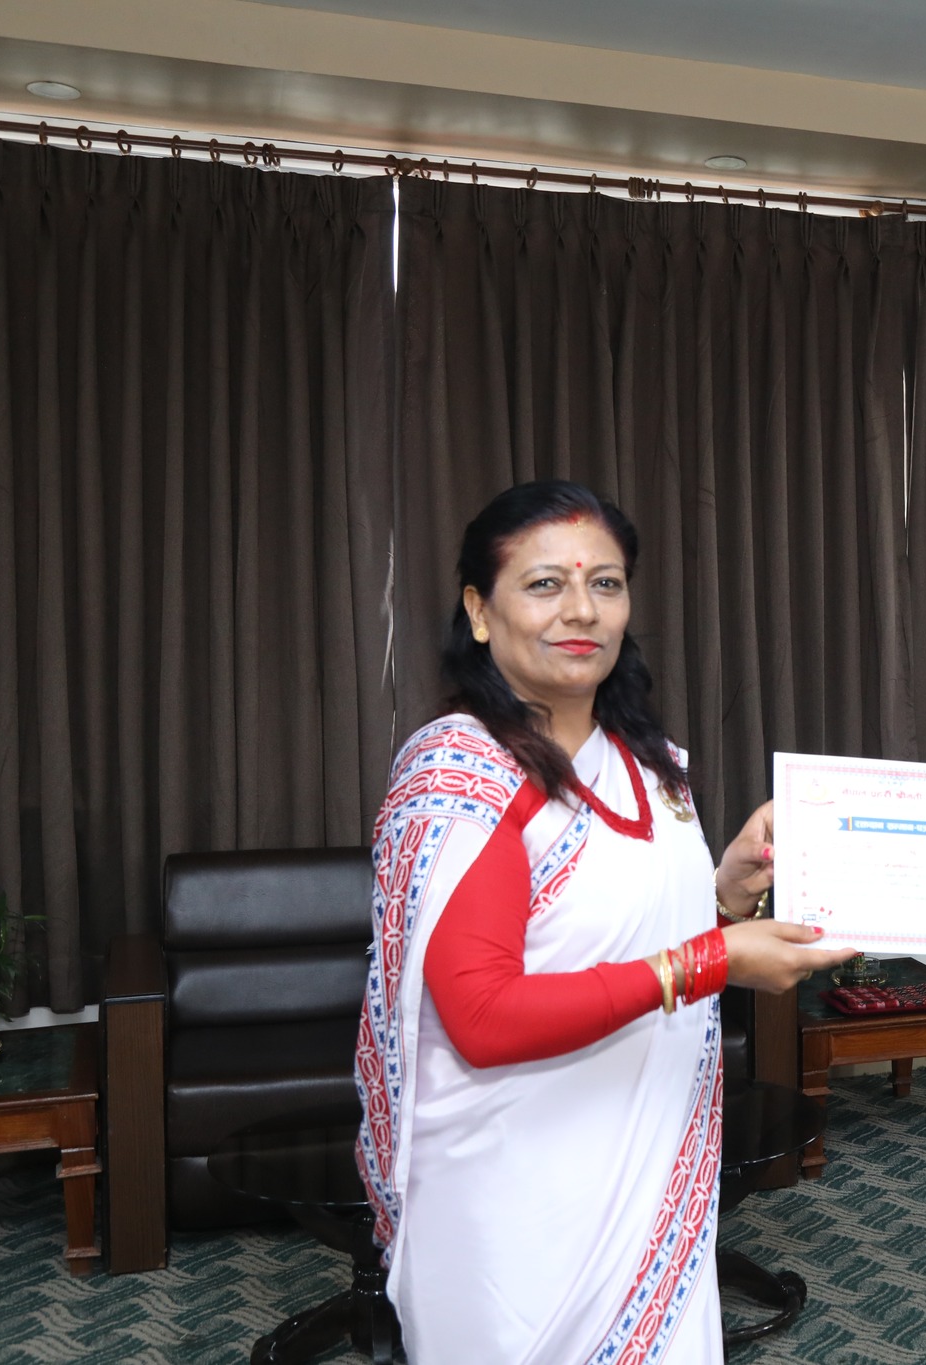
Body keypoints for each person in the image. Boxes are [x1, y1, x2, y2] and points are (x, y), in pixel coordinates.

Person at [353, 480, 852, 1365]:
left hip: (644, 1167)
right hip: (513, 1199)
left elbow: (613, 937)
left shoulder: (645, 763)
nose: (581, 609)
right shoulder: (461, 773)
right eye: (544, 583)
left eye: (606, 583)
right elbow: (484, 1018)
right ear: (480, 610)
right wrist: (711, 958)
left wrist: (728, 893)